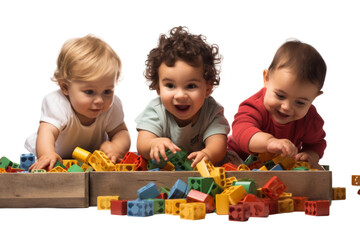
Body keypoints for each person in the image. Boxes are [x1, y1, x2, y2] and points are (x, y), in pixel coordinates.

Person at [25, 35, 131, 170]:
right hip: (58, 157)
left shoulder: (112, 106)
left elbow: (121, 132)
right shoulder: (58, 104)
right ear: (65, 87)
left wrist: (116, 146)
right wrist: (47, 154)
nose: (100, 100)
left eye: (107, 91)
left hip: (89, 161)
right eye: (89, 92)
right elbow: (47, 132)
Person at [136, 26, 231, 168]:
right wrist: (153, 143)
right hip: (166, 171)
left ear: (207, 89)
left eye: (191, 86)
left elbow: (219, 143)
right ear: (158, 88)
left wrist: (209, 153)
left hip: (201, 172)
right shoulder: (156, 110)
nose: (180, 95)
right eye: (170, 85)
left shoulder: (211, 111)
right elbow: (142, 143)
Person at [227, 40, 327, 169]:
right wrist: (269, 142)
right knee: (227, 162)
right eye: (280, 96)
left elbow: (316, 143)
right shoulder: (254, 106)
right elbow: (241, 131)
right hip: (239, 159)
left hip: (277, 166)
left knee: (315, 170)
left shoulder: (310, 120)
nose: (287, 107)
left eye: (300, 102)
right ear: (266, 79)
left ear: (314, 97)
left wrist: (310, 155)